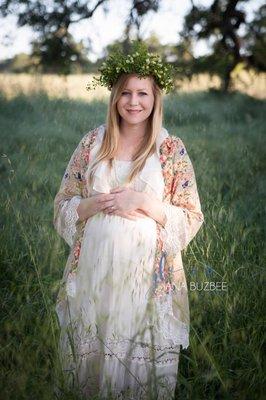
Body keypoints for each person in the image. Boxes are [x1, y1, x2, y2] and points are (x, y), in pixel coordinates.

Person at [53, 41, 204, 400]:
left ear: (155, 99)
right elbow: (62, 202)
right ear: (114, 98)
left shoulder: (170, 149)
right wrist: (91, 205)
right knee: (92, 356)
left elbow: (191, 215)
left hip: (148, 281)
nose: (133, 102)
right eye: (125, 94)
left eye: (142, 94)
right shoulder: (93, 143)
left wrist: (144, 203)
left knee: (138, 363)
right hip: (95, 271)